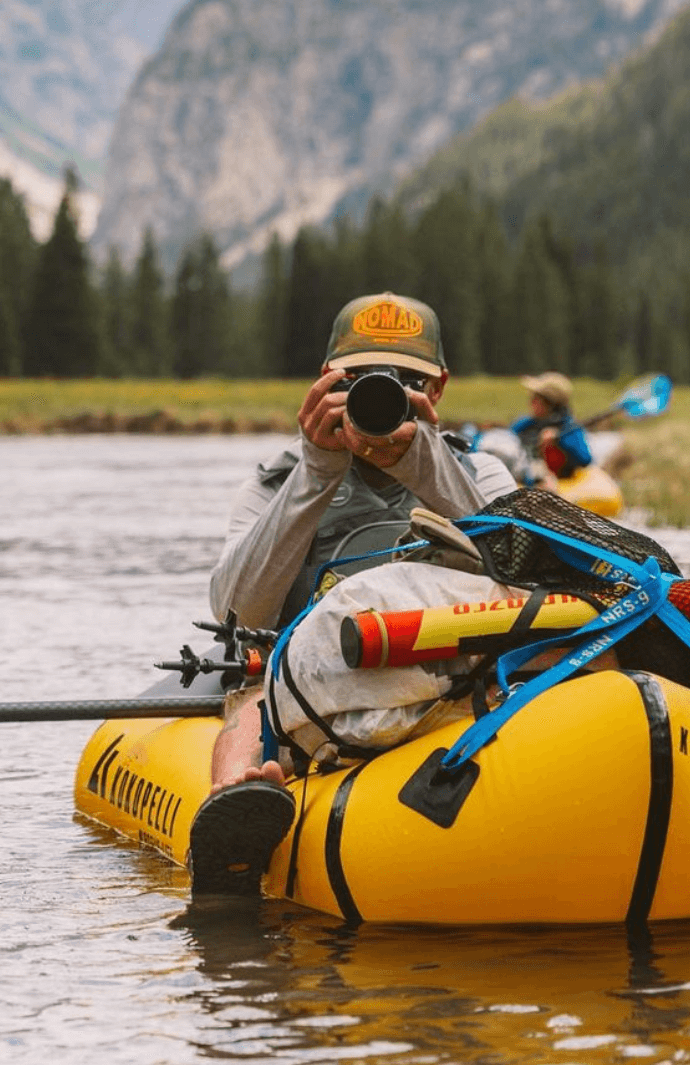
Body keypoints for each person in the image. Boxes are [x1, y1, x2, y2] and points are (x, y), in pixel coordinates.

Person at [188, 291, 516, 895]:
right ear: (326, 383)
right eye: (360, 379)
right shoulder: (276, 482)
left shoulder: (481, 474)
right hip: (294, 678)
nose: (378, 398)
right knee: (251, 703)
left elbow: (527, 573)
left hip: (442, 668)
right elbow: (237, 611)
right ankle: (237, 806)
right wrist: (316, 471)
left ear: (436, 391)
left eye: (403, 381)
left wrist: (427, 469)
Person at [510, 372, 593, 487]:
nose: (530, 401)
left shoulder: (568, 427)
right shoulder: (524, 424)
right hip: (525, 478)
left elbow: (585, 459)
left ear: (550, 403)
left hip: (559, 483)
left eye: (535, 398)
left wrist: (558, 439)